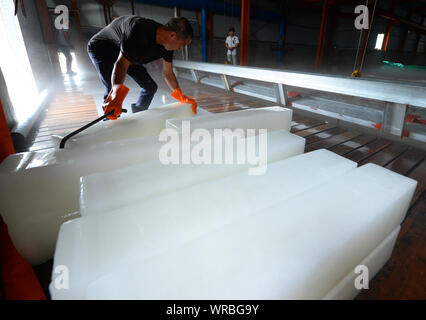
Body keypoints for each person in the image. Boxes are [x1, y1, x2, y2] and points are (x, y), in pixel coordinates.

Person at [87, 15, 197, 119]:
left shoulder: (167, 45)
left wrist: (180, 96)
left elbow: (168, 73)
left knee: (150, 87)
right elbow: (121, 65)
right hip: (102, 49)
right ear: (172, 35)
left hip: (127, 53)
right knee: (113, 91)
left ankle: (139, 115)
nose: (179, 49)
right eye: (182, 45)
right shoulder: (139, 30)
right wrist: (116, 94)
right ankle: (110, 120)